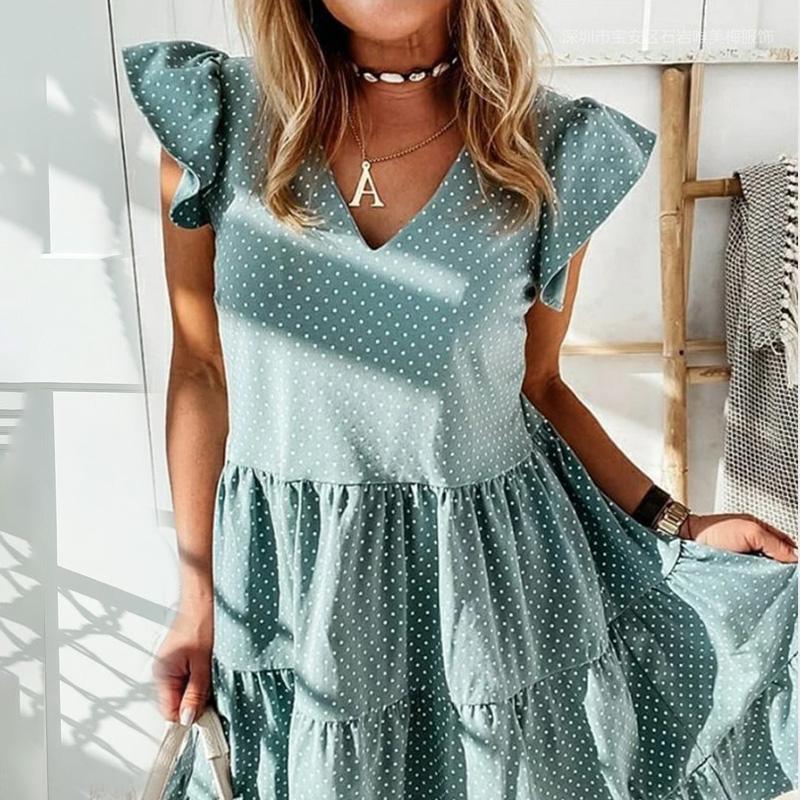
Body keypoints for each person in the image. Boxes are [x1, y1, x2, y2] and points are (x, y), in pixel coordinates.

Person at [121, 1, 798, 797]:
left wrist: (679, 522)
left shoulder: (552, 148)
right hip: (290, 591)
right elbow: (201, 370)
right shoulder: (217, 117)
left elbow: (539, 385)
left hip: (486, 590)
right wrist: (196, 600)